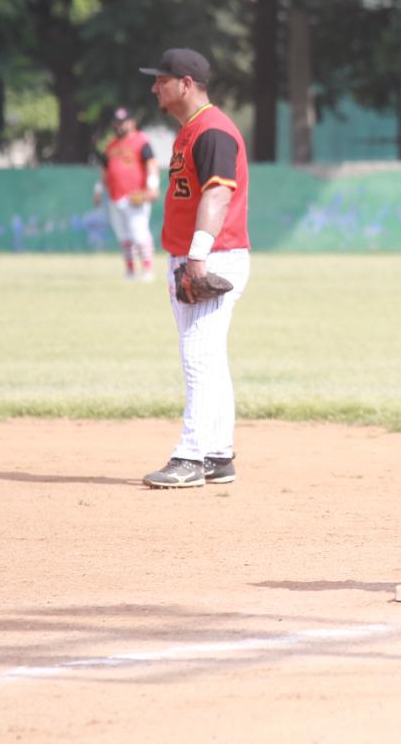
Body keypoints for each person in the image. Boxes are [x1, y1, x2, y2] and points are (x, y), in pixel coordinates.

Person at [138, 48, 251, 490]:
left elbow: (218, 196)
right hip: (200, 255)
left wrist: (197, 259)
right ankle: (218, 455)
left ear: (185, 84)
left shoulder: (213, 131)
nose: (154, 87)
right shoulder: (192, 130)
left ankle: (190, 456)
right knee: (209, 358)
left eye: (161, 79)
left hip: (211, 256)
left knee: (198, 358)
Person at [93, 107, 160, 281]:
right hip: (115, 196)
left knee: (139, 234)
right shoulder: (111, 146)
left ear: (132, 123)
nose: (121, 125)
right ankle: (130, 272)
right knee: (124, 236)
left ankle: (147, 270)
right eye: (118, 122)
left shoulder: (141, 141)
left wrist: (152, 186)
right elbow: (105, 171)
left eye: (124, 122)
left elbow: (151, 165)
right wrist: (99, 190)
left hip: (135, 196)